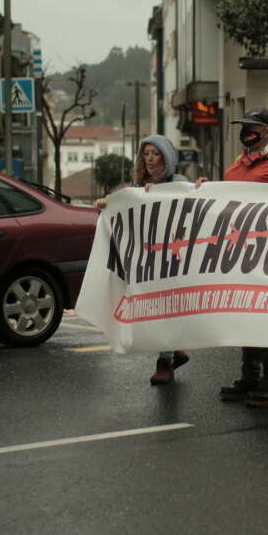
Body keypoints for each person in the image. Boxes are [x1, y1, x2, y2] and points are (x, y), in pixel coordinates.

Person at [195, 107, 268, 407]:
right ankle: (249, 376)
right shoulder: (238, 162)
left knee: (267, 315)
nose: (245, 131)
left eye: (251, 126)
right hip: (240, 252)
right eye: (243, 125)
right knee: (246, 314)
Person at [96, 135, 192, 386]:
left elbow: (190, 201)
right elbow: (126, 208)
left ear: (166, 157)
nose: (149, 158)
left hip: (172, 254)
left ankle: (164, 362)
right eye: (146, 153)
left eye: (155, 153)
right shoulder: (139, 184)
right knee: (157, 305)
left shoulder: (178, 181)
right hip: (149, 254)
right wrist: (108, 205)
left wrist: (162, 193)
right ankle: (176, 350)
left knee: (166, 305)